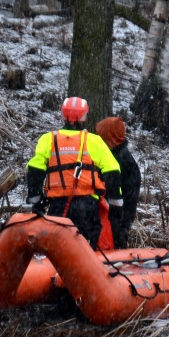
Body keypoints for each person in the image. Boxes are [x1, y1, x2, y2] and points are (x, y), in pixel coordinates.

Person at [26, 97, 123, 249]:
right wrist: (116, 205)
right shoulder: (94, 141)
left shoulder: (48, 139)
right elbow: (113, 171)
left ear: (63, 115)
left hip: (57, 206)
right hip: (87, 207)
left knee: (57, 248)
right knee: (86, 249)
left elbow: (35, 170)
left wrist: (35, 202)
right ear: (84, 117)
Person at [96, 116, 141, 249]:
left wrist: (121, 227)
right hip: (105, 219)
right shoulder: (109, 156)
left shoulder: (126, 163)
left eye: (100, 134)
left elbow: (130, 200)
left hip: (116, 222)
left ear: (108, 136)